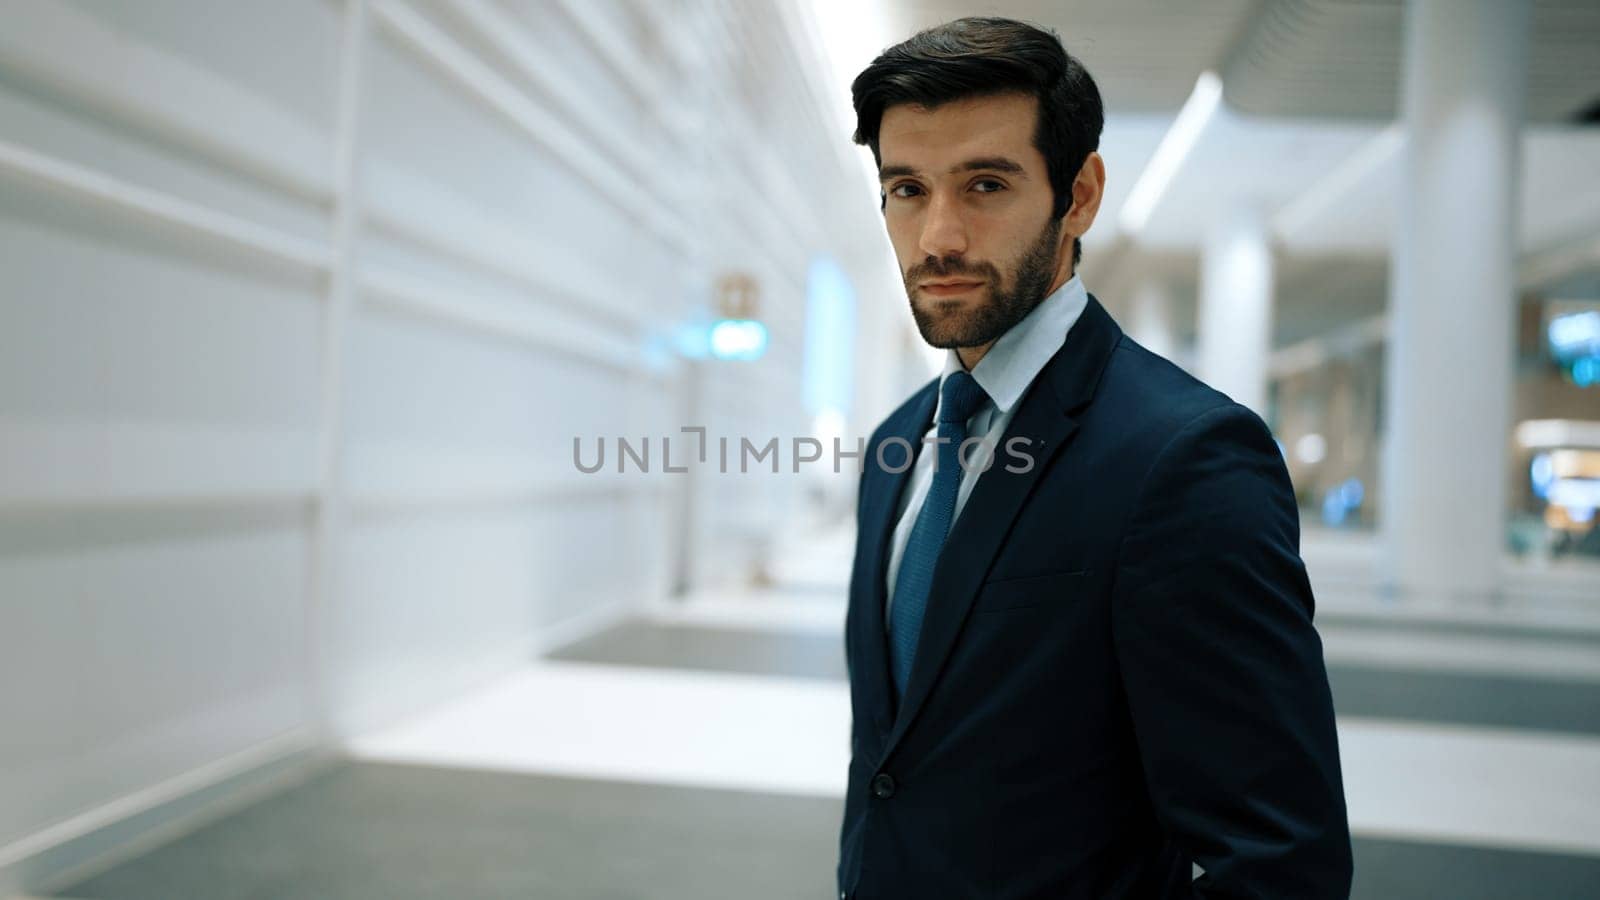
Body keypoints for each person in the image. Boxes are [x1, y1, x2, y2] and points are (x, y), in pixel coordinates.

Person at [836, 17, 1352, 899]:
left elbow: (1279, 860)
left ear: (1079, 197)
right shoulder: (898, 445)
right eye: (908, 189)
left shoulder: (1186, 458)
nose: (938, 238)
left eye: (986, 184)